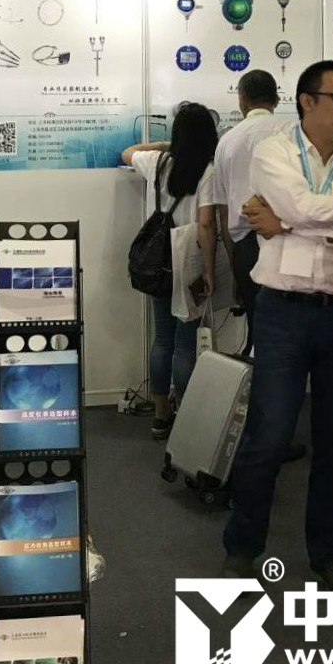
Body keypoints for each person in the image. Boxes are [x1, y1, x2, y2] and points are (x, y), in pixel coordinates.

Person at [222, 61, 333, 592]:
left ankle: (328, 555)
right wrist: (322, 217)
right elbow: (313, 205)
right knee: (269, 435)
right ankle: (243, 545)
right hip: (283, 311)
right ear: (307, 101)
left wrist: (285, 223)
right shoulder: (273, 152)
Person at [122, 102, 219, 440]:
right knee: (185, 343)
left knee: (162, 339)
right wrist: (210, 271)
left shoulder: (159, 162)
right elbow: (206, 225)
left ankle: (161, 415)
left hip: (159, 262)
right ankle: (187, 417)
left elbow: (127, 152)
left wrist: (165, 145)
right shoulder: (208, 171)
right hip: (189, 262)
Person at [213, 69, 285, 355]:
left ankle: (259, 377)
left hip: (246, 246)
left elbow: (223, 210)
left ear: (241, 100)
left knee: (258, 322)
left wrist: (234, 261)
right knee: (288, 326)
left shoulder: (227, 141)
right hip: (289, 241)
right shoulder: (293, 132)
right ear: (276, 99)